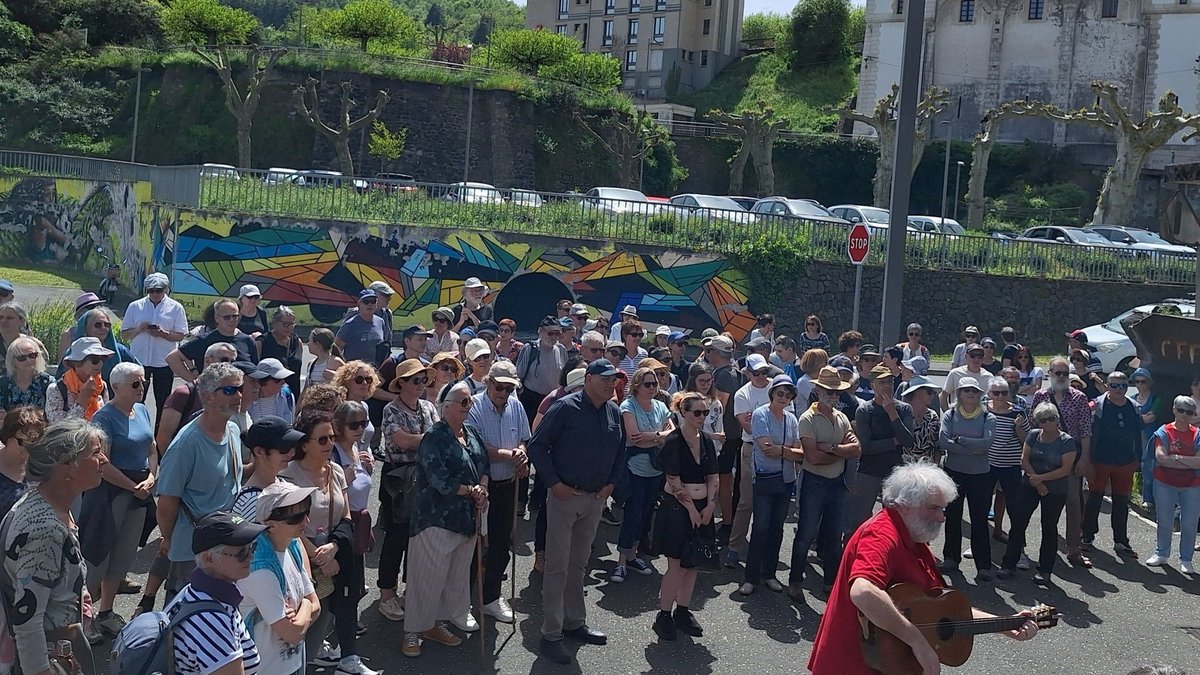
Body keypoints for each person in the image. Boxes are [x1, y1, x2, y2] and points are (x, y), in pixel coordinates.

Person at [808, 462, 1041, 674]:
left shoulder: (914, 537)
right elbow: (863, 592)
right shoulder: (881, 535)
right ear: (905, 505)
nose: (941, 518)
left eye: (942, 509)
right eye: (933, 508)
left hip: (888, 664)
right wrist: (918, 642)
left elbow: (939, 609)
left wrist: (1005, 624)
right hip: (852, 664)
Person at [528, 359, 625, 665]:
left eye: (613, 379)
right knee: (557, 566)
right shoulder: (564, 408)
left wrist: (611, 484)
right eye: (605, 379)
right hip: (565, 497)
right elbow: (536, 446)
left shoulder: (613, 412)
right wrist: (554, 484)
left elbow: (620, 452)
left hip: (595, 499)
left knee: (579, 564)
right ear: (589, 379)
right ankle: (551, 633)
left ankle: (574, 622)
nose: (611, 384)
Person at [0, 418, 108, 674]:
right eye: (95, 453)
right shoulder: (44, 531)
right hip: (52, 655)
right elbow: (27, 619)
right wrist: (41, 670)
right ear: (65, 464)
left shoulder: (43, 502)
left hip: (63, 645)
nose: (104, 460)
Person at [278, 410, 372, 672]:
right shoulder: (289, 476)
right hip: (304, 556)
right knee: (311, 616)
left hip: (334, 550)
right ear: (304, 443)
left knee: (345, 603)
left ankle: (348, 658)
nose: (330, 444)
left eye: (332, 438)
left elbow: (345, 516)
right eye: (322, 439)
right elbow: (289, 525)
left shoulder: (336, 471)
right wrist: (318, 556)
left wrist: (334, 547)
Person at [401, 381, 490, 658]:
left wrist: (482, 488)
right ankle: (413, 630)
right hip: (435, 518)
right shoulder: (434, 437)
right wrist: (471, 491)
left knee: (453, 577)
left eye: (470, 401)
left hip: (466, 519)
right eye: (463, 402)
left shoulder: (471, 432)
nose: (469, 406)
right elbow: (439, 480)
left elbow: (483, 465)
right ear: (446, 406)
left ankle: (435, 624)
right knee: (426, 577)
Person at [80, 363, 158, 641]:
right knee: (98, 557)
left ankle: (106, 612)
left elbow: (151, 448)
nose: (142, 388)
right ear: (116, 387)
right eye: (135, 383)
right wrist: (132, 486)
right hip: (110, 494)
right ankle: (83, 618)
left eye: (143, 383)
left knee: (123, 555)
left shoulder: (143, 411)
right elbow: (102, 462)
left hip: (138, 494)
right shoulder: (104, 418)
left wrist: (151, 477)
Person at [156, 361, 246, 599]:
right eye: (229, 390)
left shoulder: (232, 430)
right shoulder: (186, 444)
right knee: (190, 610)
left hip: (227, 544)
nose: (238, 395)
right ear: (207, 396)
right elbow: (167, 502)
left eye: (240, 389)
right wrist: (168, 538)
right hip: (193, 551)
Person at [650, 392, 718, 641]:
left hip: (702, 508)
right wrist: (691, 509)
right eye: (697, 412)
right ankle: (663, 615)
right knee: (676, 566)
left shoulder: (706, 440)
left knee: (692, 565)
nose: (701, 417)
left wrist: (710, 506)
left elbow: (713, 476)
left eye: (705, 413)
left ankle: (683, 611)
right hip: (678, 509)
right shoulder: (673, 441)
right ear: (683, 412)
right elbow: (674, 480)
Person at [466, 360, 530, 622]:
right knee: (472, 546)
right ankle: (462, 603)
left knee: (502, 544)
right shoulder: (473, 405)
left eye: (509, 388)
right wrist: (510, 455)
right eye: (500, 387)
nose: (504, 393)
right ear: (489, 382)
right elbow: (476, 447)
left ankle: (490, 598)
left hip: (507, 485)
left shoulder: (516, 405)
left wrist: (522, 453)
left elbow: (524, 438)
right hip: (480, 487)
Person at [376, 358, 439, 622]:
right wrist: (432, 439)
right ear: (401, 383)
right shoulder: (391, 409)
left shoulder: (428, 407)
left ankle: (411, 588)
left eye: (424, 379)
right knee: (396, 538)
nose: (421, 384)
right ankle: (386, 595)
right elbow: (402, 441)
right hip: (399, 479)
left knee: (420, 539)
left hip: (424, 478)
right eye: (416, 380)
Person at [789, 367, 859, 599]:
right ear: (818, 391)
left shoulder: (841, 417)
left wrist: (829, 448)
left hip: (836, 483)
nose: (834, 396)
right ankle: (795, 581)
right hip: (814, 482)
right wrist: (841, 452)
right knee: (806, 533)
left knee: (833, 535)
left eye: (837, 392)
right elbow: (813, 457)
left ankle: (830, 582)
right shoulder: (807, 418)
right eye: (829, 391)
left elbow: (856, 449)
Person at [239, 482, 324, 675]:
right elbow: (292, 634)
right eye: (295, 518)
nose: (306, 520)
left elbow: (316, 606)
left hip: (294, 664)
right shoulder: (260, 571)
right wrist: (306, 605)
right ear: (270, 524)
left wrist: (303, 610)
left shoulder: (292, 545)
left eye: (306, 512)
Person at [167, 511, 265, 674]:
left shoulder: (194, 592)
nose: (250, 556)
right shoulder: (211, 622)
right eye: (241, 553)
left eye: (251, 547)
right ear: (209, 559)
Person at [998, 402, 1078, 585]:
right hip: (1030, 485)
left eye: (1051, 419)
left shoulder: (1067, 441)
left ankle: (1045, 570)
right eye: (1043, 420)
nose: (1048, 423)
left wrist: (1041, 479)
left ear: (1057, 419)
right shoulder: (1033, 435)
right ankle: (1009, 564)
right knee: (1018, 523)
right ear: (1037, 422)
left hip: (1055, 490)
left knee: (1049, 527)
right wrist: (1038, 482)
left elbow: (1065, 469)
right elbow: (1024, 460)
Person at [738, 375, 803, 596]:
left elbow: (799, 452)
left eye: (788, 395)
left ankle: (769, 574)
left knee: (777, 529)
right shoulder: (760, 414)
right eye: (780, 393)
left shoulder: (792, 419)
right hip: (765, 478)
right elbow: (766, 448)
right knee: (760, 527)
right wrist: (789, 451)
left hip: (786, 480)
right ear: (772, 393)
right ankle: (751, 577)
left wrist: (781, 450)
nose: (784, 398)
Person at [613, 367, 674, 583]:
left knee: (645, 515)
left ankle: (633, 556)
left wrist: (653, 436)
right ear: (637, 386)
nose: (652, 388)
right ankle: (621, 561)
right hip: (635, 470)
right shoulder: (628, 406)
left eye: (654, 384)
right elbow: (634, 438)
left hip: (655, 470)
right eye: (647, 384)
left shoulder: (660, 406)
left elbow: (672, 433)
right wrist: (659, 437)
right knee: (633, 514)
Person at [1032, 356, 1093, 570]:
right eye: (1057, 373)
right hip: (1044, 460)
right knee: (1044, 504)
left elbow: (1085, 430)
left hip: (1070, 458)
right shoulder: (1040, 396)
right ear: (1049, 373)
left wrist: (1084, 458)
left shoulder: (1079, 397)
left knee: (1073, 504)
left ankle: (1074, 549)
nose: (1061, 376)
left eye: (1065, 373)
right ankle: (1047, 548)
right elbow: (1033, 426)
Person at [938, 377, 998, 579]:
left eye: (974, 390)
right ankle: (951, 558)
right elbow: (944, 441)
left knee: (979, 520)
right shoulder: (950, 414)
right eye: (966, 390)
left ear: (979, 394)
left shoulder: (988, 417)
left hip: (980, 475)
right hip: (954, 472)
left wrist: (960, 441)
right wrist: (973, 448)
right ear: (959, 394)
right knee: (952, 517)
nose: (970, 393)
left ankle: (983, 566)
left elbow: (986, 443)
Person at [847, 365, 915, 533]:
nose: (887, 386)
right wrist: (893, 441)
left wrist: (892, 413)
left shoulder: (904, 408)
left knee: (895, 521)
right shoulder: (865, 410)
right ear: (873, 385)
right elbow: (866, 447)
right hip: (869, 470)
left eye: (890, 382)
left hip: (895, 472)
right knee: (858, 520)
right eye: (882, 382)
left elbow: (908, 441)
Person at [1083, 370, 1142, 559]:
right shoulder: (1096, 406)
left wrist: (1137, 459)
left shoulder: (1134, 407)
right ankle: (1087, 537)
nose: (1119, 389)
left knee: (1121, 503)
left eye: (1123, 385)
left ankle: (1121, 541)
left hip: (1125, 462)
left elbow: (1138, 435)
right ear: (1107, 386)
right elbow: (1086, 433)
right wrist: (1087, 460)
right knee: (1094, 500)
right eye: (1114, 385)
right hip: (1100, 461)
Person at [726, 353, 774, 568]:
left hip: (775, 449)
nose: (762, 377)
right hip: (751, 448)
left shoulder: (777, 388)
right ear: (748, 373)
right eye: (757, 373)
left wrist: (758, 420)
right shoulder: (742, 394)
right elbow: (747, 427)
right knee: (746, 501)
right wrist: (772, 424)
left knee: (771, 503)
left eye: (765, 372)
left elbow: (788, 421)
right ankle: (734, 548)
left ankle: (763, 550)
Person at [120, 272, 188, 418]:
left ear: (166, 289)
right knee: (136, 400)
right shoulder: (135, 306)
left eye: (159, 290)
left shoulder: (176, 308)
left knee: (163, 402)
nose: (155, 294)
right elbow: (124, 334)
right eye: (151, 290)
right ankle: (137, 427)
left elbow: (181, 335)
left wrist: (163, 334)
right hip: (139, 361)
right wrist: (139, 328)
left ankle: (159, 431)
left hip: (164, 361)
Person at [1145, 396, 1200, 574]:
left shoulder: (1197, 434)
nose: (1184, 415)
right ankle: (1161, 553)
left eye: (1189, 412)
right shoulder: (1164, 431)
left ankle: (1186, 559)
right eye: (1181, 410)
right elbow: (1161, 458)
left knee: (1190, 523)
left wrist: (1175, 458)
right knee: (1165, 520)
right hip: (1164, 482)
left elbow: (1199, 462)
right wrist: (1188, 461)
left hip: (1192, 484)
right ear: (1174, 410)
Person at [986, 375, 1029, 553]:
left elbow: (1026, 440)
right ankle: (981, 543)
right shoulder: (982, 409)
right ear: (989, 394)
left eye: (1004, 393)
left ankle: (1018, 548)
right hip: (986, 465)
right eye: (996, 393)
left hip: (1010, 466)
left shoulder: (1018, 412)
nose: (1000, 397)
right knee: (982, 503)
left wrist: (1018, 427)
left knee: (1014, 507)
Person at [167, 298, 260, 380]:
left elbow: (254, 370)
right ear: (217, 318)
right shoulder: (204, 340)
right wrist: (193, 380)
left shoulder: (248, 341)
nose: (232, 320)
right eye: (227, 317)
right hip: (212, 392)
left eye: (235, 316)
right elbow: (172, 358)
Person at [234, 416, 304, 521]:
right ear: (259, 452)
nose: (292, 453)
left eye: (293, 446)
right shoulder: (253, 502)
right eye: (284, 447)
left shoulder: (280, 483)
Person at [60, 307, 138, 385]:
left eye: (107, 325)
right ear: (85, 327)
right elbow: (62, 379)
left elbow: (139, 371)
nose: (103, 328)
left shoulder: (121, 351)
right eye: (98, 325)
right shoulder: (73, 353)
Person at [515, 316, 569, 422]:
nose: (554, 337)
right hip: (531, 402)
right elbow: (519, 374)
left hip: (553, 401)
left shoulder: (561, 350)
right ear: (541, 331)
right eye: (550, 333)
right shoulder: (530, 348)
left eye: (557, 334)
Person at [47, 337, 112, 423]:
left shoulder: (102, 386)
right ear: (77, 363)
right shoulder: (56, 389)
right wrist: (82, 402)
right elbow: (57, 425)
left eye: (103, 359)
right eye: (95, 360)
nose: (100, 363)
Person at [1132, 367, 1171, 512]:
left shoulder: (1156, 399)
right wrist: (1141, 418)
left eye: (1143, 381)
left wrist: (1136, 418)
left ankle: (1149, 498)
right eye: (1137, 381)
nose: (1140, 384)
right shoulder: (1132, 399)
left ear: (1149, 383)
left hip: (1149, 438)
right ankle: (1126, 493)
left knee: (1148, 466)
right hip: (1134, 437)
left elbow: (1151, 418)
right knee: (1130, 463)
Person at [0, 406, 45, 517]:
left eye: (33, 442)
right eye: (22, 441)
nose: (27, 448)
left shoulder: (39, 472)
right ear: (7, 436)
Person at [332, 360, 381, 450]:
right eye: (359, 379)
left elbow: (365, 442)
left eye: (368, 379)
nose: (365, 383)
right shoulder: (339, 408)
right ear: (347, 381)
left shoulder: (364, 406)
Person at [0, 336, 53, 417]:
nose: (28, 360)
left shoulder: (48, 382)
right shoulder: (3, 384)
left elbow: (54, 414)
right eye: (22, 358)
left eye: (32, 355)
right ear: (12, 361)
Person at [257, 306, 303, 394]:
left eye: (292, 324)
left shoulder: (297, 342)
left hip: (292, 392)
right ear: (275, 323)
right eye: (285, 324)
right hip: (269, 393)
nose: (289, 327)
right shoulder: (262, 342)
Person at [336, 290, 388, 365]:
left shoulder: (380, 322)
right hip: (355, 369)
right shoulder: (350, 325)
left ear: (376, 304)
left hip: (375, 369)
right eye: (366, 302)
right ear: (359, 304)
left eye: (373, 301)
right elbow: (336, 349)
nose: (370, 304)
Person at [56, 291, 107, 363]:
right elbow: (62, 363)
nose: (97, 309)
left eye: (99, 305)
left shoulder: (105, 330)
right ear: (81, 314)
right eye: (91, 307)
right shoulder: (69, 334)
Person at [900, 376, 941, 463]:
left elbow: (938, 447)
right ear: (916, 392)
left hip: (928, 468)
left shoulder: (933, 416)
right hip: (904, 467)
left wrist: (936, 467)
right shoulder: (902, 413)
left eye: (933, 392)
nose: (932, 395)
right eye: (929, 392)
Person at [940, 342, 988, 410]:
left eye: (979, 356)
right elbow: (943, 395)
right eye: (972, 356)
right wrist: (948, 413)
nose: (976, 359)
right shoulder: (955, 373)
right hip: (957, 414)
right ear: (966, 356)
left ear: (983, 358)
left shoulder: (989, 377)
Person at [247, 358, 296, 423]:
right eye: (278, 379)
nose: (283, 382)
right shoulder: (248, 399)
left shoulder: (287, 396)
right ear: (263, 380)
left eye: (283, 378)